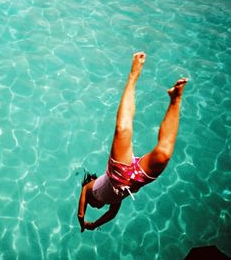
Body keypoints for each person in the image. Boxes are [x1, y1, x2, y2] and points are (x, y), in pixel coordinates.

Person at [77, 52, 188, 232]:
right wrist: (95, 225)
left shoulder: (87, 190)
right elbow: (111, 214)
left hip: (116, 172)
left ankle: (133, 75)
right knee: (164, 154)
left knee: (123, 128)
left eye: (93, 206)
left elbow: (80, 214)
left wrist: (84, 225)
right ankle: (175, 99)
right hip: (135, 181)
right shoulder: (114, 201)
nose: (96, 207)